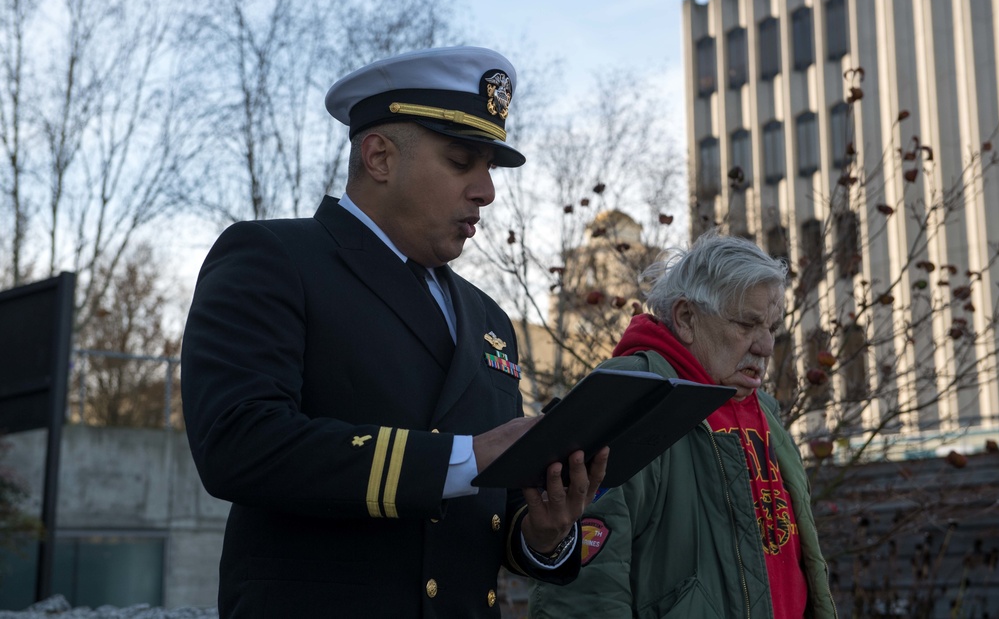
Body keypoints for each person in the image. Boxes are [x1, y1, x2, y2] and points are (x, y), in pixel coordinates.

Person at [181, 46, 608, 618]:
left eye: (488, 168)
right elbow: (238, 444)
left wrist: (543, 531)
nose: (487, 191)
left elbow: (493, 512)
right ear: (379, 157)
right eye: (461, 161)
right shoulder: (275, 257)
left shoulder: (489, 319)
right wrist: (467, 457)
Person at [529, 231, 837, 618]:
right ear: (687, 318)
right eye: (746, 325)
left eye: (772, 328)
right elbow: (585, 593)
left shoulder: (765, 412)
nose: (765, 346)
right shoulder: (628, 399)